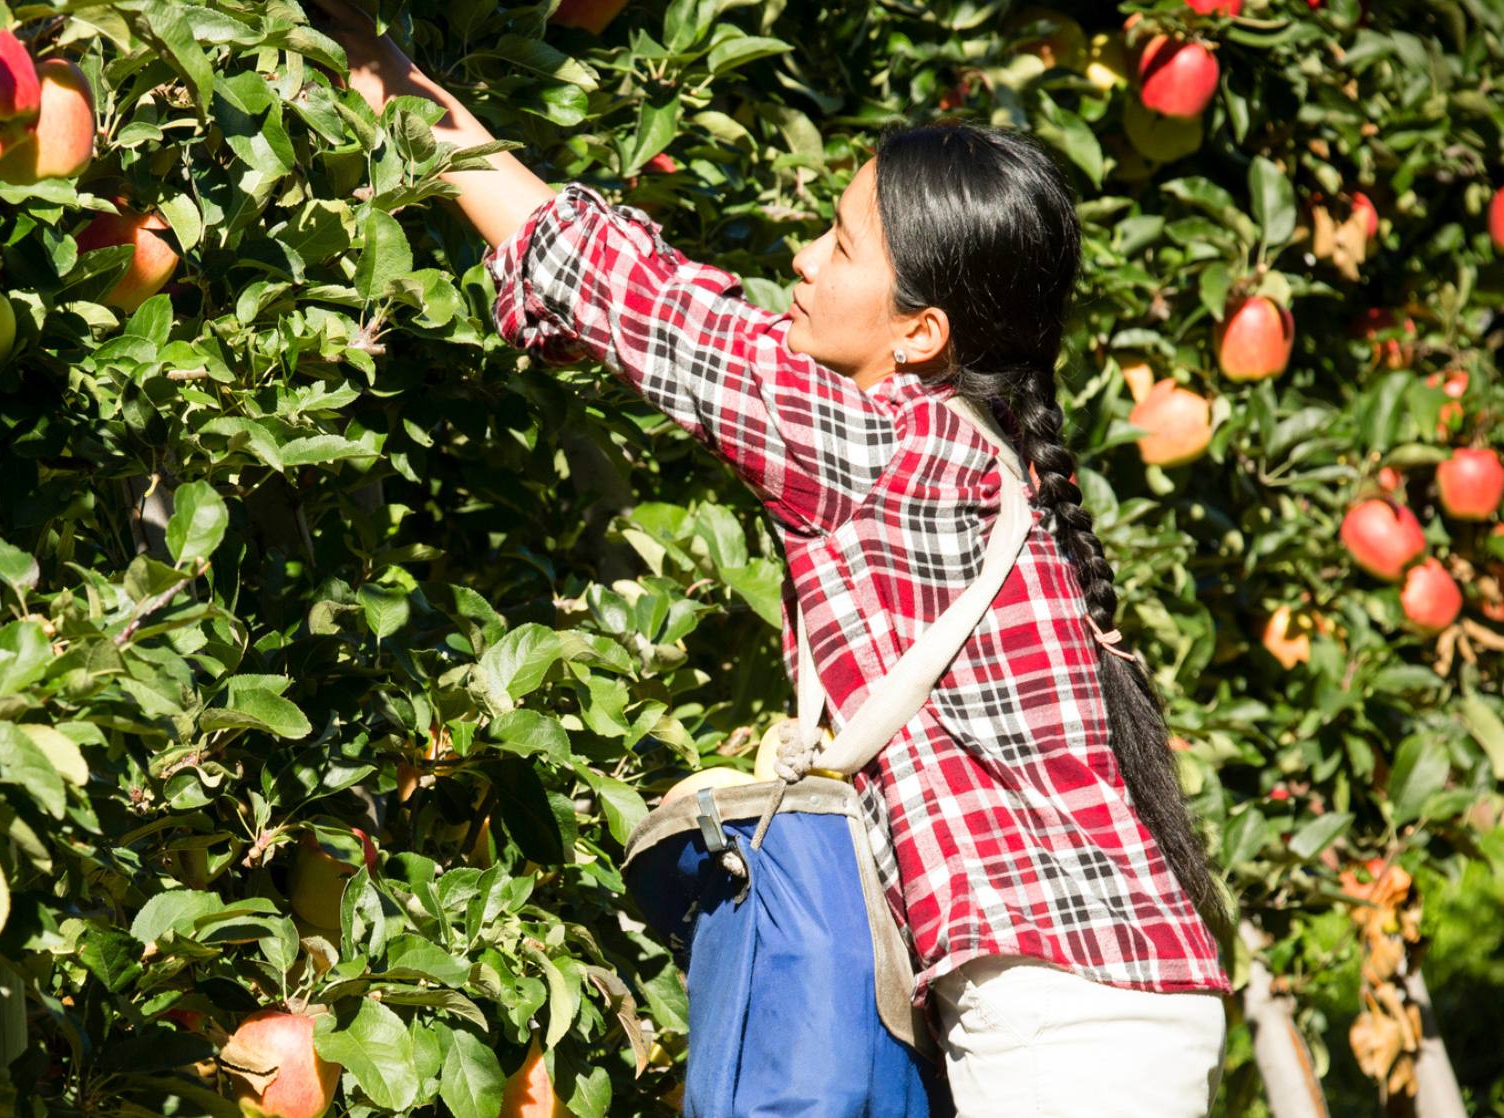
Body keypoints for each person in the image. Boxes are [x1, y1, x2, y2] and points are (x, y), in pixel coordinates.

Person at [304, 3, 1235, 1114]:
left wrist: (377, 62)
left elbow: (625, 292)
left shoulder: (888, 447)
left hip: (1058, 1010)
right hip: (1110, 988)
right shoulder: (983, 462)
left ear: (921, 333)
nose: (800, 259)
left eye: (839, 246)